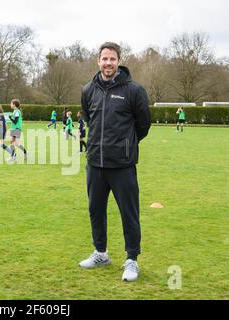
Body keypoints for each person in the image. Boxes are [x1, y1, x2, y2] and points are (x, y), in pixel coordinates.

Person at [79, 42, 151, 282]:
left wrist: (125, 146)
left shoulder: (134, 90)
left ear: (119, 61)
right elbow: (89, 119)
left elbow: (143, 125)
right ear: (98, 61)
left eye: (112, 59)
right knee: (95, 211)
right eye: (104, 59)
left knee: (129, 214)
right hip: (95, 164)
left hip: (122, 166)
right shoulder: (88, 89)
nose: (108, 63)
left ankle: (132, 260)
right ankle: (101, 253)